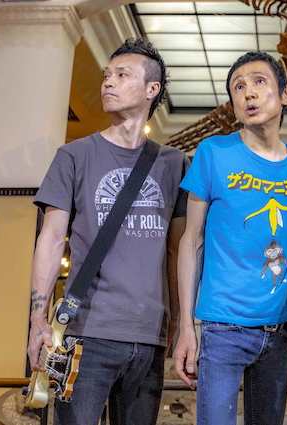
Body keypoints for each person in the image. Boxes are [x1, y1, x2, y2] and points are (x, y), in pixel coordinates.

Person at [27, 38, 188, 424]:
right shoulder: (74, 155)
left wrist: (181, 325)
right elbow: (51, 238)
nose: (108, 82)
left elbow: (179, 251)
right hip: (85, 332)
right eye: (106, 75)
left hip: (149, 337)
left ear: (151, 89)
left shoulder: (175, 164)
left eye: (122, 75)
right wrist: (37, 319)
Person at [172, 51, 287, 425]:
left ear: (285, 94)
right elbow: (191, 240)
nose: (248, 92)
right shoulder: (213, 152)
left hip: (280, 329)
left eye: (259, 81)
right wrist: (186, 327)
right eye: (238, 87)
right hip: (222, 328)